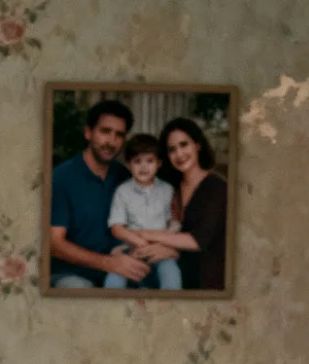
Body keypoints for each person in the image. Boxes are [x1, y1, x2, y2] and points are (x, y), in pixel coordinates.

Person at [47, 98, 155, 289]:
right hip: (72, 274)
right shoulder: (61, 178)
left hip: (118, 270)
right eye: (105, 131)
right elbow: (54, 244)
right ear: (88, 132)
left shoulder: (125, 177)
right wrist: (107, 263)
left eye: (119, 135)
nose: (111, 142)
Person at [147, 116, 229, 291]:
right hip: (175, 277)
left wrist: (145, 235)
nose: (179, 154)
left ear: (197, 145)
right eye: (172, 150)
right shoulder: (171, 188)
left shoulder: (218, 188)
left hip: (208, 283)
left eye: (184, 145)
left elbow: (198, 240)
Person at [103, 133, 183, 290]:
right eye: (137, 161)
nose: (144, 167)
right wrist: (141, 244)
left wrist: (162, 244)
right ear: (128, 165)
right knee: (115, 277)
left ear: (159, 163)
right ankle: (109, 304)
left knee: (171, 273)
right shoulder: (123, 191)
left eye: (150, 161)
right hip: (131, 249)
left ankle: (172, 304)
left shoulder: (168, 190)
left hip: (160, 249)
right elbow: (116, 228)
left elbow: (174, 223)